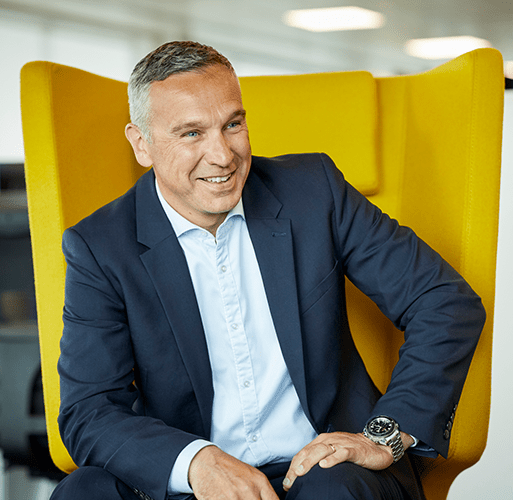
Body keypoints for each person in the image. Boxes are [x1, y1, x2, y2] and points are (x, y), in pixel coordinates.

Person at [50, 41, 485, 500]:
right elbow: (90, 408)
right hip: (196, 484)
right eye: (192, 134)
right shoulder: (100, 246)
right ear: (142, 144)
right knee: (84, 492)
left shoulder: (314, 192)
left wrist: (384, 435)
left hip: (325, 470)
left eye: (232, 125)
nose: (222, 156)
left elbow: (443, 301)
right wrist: (196, 462)